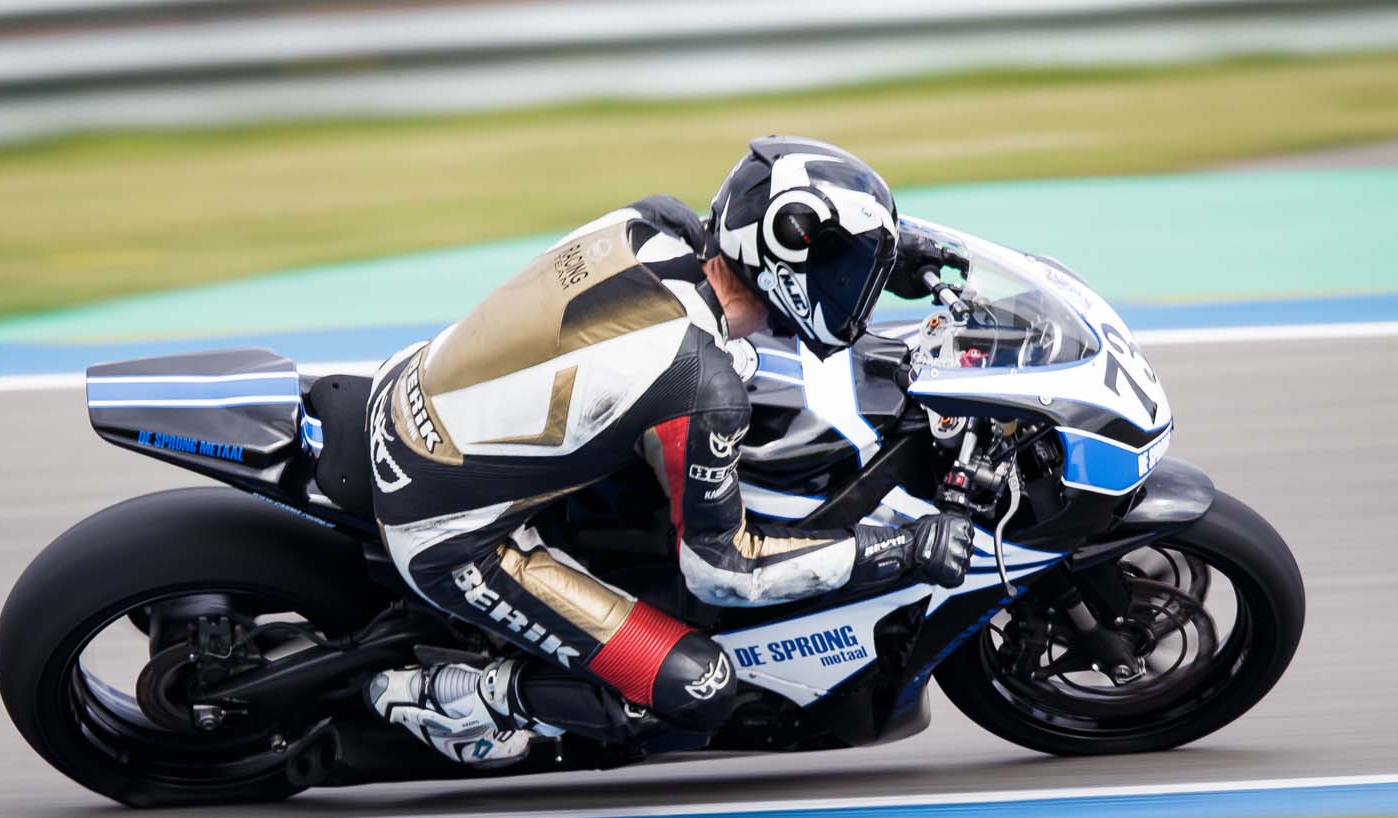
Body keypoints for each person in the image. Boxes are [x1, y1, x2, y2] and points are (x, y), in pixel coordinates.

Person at [365, 136, 974, 766]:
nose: (853, 291)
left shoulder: (656, 222)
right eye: (846, 274)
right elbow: (725, 571)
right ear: (790, 267)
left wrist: (889, 257)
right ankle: (474, 701)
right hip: (448, 531)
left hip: (407, 393)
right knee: (700, 685)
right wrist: (896, 548)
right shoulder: (700, 386)